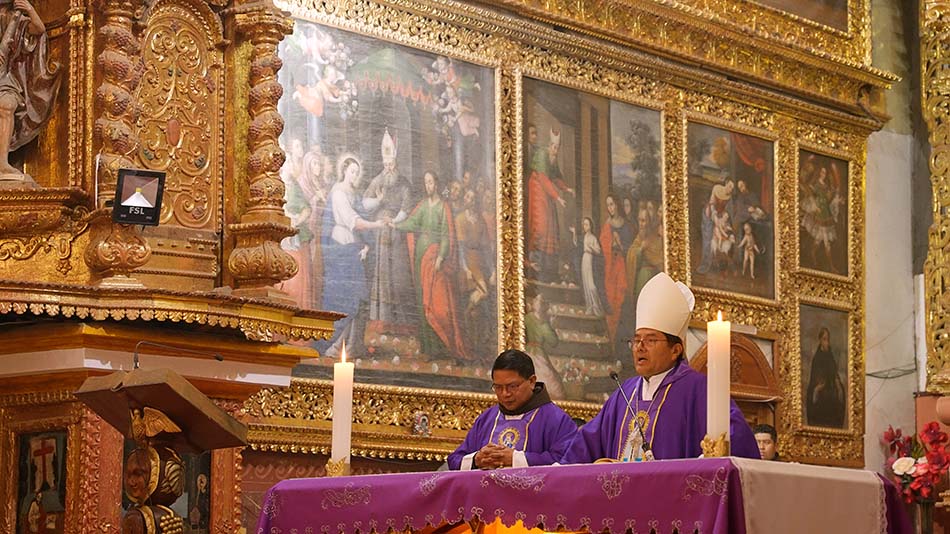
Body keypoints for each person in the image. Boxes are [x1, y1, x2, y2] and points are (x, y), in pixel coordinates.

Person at [560, 272, 760, 463]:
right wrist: (559, 469)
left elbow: (736, 438)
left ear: (675, 350)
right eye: (636, 340)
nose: (640, 347)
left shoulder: (698, 389)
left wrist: (705, 464)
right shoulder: (625, 392)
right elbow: (587, 443)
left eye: (650, 340)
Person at [447, 350, 577, 469]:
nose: (505, 394)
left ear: (532, 381)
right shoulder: (487, 419)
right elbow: (454, 460)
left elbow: (567, 462)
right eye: (498, 387)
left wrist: (516, 459)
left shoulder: (556, 419)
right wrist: (477, 460)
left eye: (512, 386)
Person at [395, 171, 472, 360]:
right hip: (421, 258)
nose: (428, 186)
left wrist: (441, 256)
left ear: (436, 183)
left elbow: (447, 234)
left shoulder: (443, 207)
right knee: (423, 302)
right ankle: (429, 348)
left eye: (430, 182)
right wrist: (395, 225)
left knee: (438, 303)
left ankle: (443, 346)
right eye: (425, 182)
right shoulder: (422, 206)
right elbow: (412, 222)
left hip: (436, 259)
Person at [0, 0, 60, 183]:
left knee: (6, 105)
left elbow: (38, 29)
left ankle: (2, 163)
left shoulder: (16, 19)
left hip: (5, 78)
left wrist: (29, 9)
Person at [363, 129, 415, 334]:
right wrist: (379, 200)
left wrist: (394, 220)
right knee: (382, 274)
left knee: (398, 275)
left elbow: (407, 206)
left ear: (396, 162)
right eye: (385, 164)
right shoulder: (378, 180)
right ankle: (382, 318)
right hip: (381, 232)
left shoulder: (403, 182)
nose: (388, 167)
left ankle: (400, 319)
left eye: (391, 164)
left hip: (396, 231)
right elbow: (366, 202)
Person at [526, 127, 574, 281]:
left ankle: (549, 269)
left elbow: (554, 177)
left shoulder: (553, 159)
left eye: (557, 148)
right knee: (541, 226)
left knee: (552, 227)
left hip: (547, 192)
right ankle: (536, 265)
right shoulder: (541, 154)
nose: (555, 151)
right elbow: (543, 177)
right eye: (553, 147)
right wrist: (557, 197)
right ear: (549, 146)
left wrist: (566, 188)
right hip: (537, 189)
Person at [806, 326, 846, 428]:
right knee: (822, 397)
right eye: (824, 339)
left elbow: (834, 373)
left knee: (840, 394)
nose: (826, 342)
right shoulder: (817, 358)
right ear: (820, 340)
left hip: (831, 387)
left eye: (827, 339)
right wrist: (817, 388)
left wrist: (838, 384)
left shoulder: (830, 356)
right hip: (821, 389)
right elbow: (815, 378)